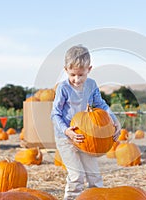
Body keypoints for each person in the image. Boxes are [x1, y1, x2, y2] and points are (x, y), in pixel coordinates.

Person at [51, 44, 121, 200]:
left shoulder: (91, 85)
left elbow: (101, 105)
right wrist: (66, 130)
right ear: (66, 70)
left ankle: (97, 197)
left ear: (89, 69)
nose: (77, 79)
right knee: (76, 176)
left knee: (94, 175)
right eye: (72, 75)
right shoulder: (63, 88)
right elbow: (55, 114)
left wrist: (115, 121)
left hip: (88, 137)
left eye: (81, 75)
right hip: (66, 138)